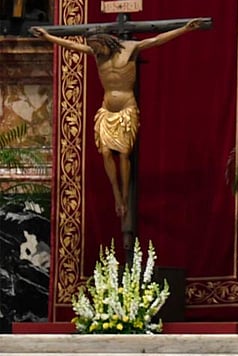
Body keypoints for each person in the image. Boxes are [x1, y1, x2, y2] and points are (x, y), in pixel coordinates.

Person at [31, 19, 204, 220]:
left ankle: (125, 195)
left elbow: (157, 40)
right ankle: (117, 195)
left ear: (106, 42)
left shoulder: (130, 48)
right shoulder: (97, 54)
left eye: (97, 48)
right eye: (93, 49)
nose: (95, 52)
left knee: (123, 154)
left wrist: (184, 29)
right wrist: (47, 37)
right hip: (107, 111)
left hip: (126, 109)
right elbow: (71, 45)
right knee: (105, 153)